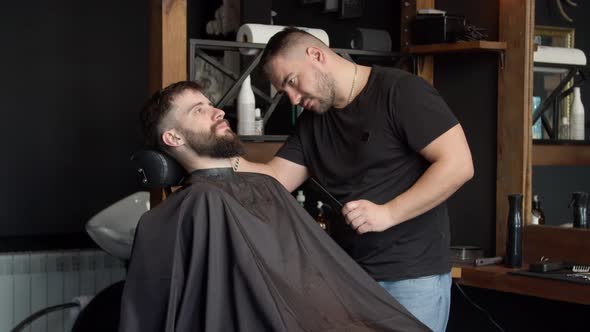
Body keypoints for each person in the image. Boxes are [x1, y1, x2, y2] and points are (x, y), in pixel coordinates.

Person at [119, 81, 429, 332]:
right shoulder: (198, 204)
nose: (218, 113)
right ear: (172, 136)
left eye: (213, 105)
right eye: (200, 110)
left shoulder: (264, 186)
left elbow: (316, 276)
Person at [237, 27, 474, 332]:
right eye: (285, 92)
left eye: (292, 82)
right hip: (349, 279)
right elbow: (273, 179)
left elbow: (459, 164)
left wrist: (389, 213)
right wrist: (215, 153)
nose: (293, 98)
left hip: (411, 278)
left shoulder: (400, 92)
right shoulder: (313, 123)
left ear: (317, 55)